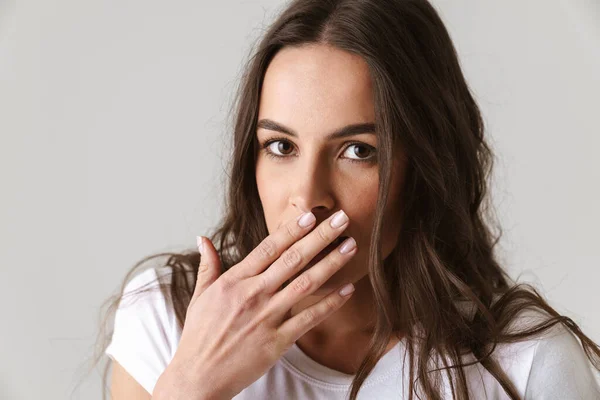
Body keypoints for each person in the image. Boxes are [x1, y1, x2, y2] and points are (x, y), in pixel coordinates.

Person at [93, 0, 600, 399]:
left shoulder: (526, 364)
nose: (308, 198)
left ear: (424, 166)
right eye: (281, 146)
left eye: (358, 151)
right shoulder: (168, 319)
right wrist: (191, 388)